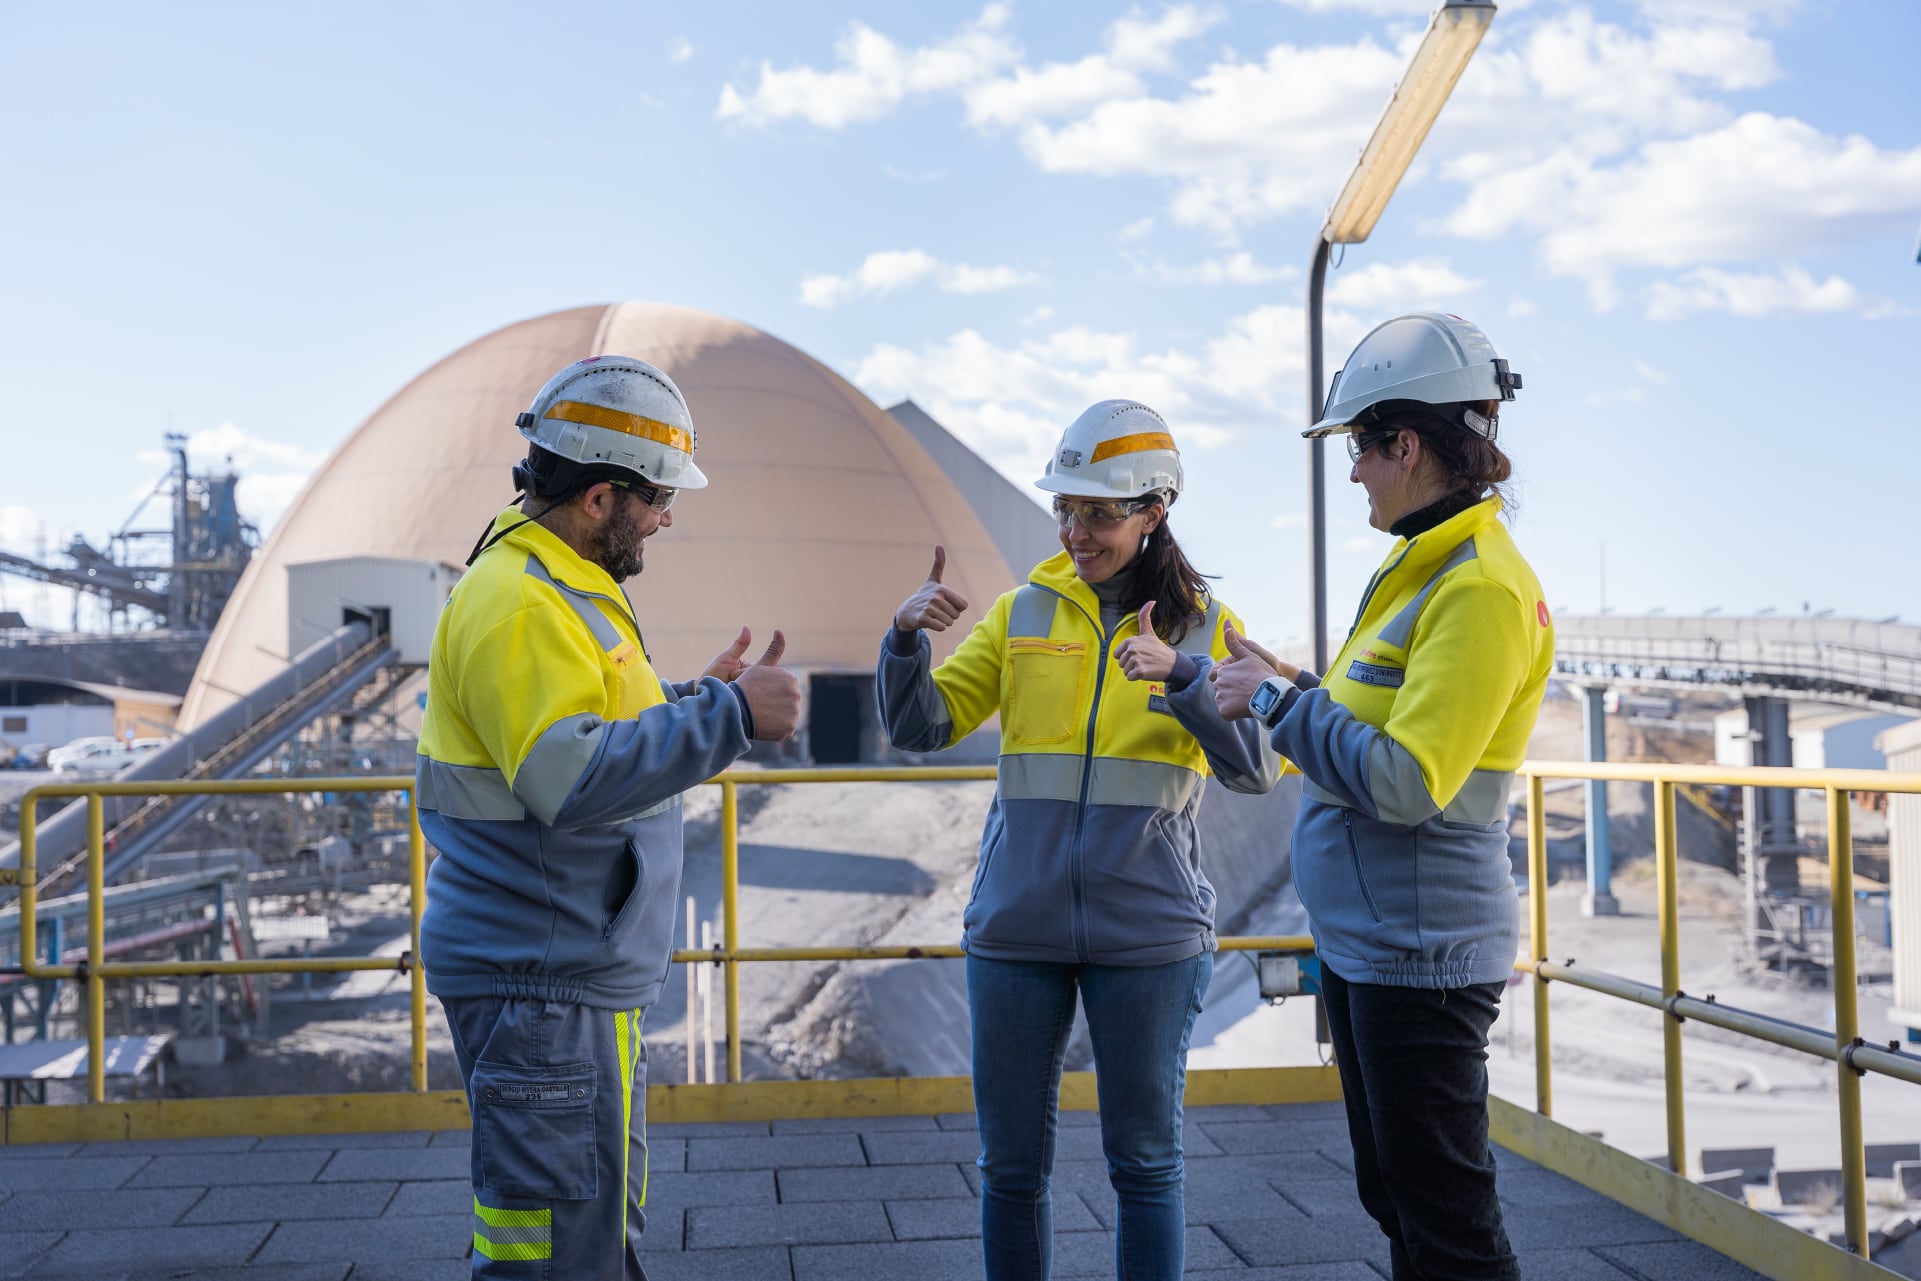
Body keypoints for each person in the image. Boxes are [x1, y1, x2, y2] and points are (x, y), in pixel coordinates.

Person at [417, 355, 800, 1280]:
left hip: (563, 968)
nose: (666, 516)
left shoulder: (553, 582)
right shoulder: (521, 600)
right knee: (553, 1252)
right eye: (658, 497)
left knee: (577, 1228)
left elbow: (590, 719)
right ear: (599, 496)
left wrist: (694, 697)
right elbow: (570, 776)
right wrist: (733, 716)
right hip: (541, 980)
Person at [879, 401, 1279, 1281]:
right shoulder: (1024, 611)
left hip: (1149, 936)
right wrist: (905, 638)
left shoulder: (1208, 629)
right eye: (1067, 507)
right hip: (1016, 931)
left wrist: (1188, 681)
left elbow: (1254, 770)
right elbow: (922, 726)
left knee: (1143, 1165)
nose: (1075, 529)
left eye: (1099, 512)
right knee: (1011, 1170)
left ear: (1154, 510)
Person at [1211, 312, 1549, 1281]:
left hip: (1421, 956)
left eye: (1360, 447)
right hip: (1374, 946)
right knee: (1398, 1200)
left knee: (1447, 1226)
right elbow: (1373, 726)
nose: (1352, 470)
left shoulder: (1475, 590)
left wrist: (1275, 702)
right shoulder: (1418, 570)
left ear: (1406, 444)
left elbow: (1405, 781)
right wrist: (1288, 683)